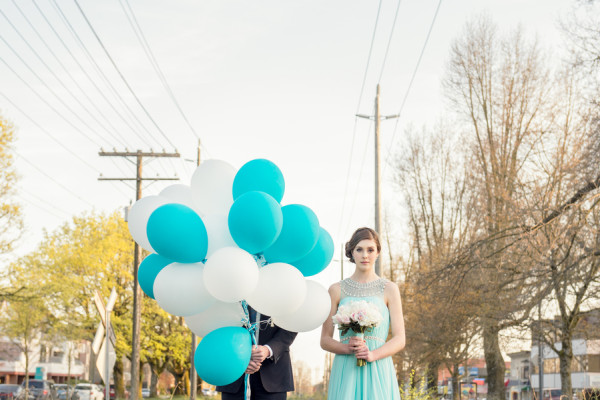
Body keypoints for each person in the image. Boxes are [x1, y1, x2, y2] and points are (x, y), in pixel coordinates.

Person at [321, 227, 406, 399]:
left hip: (378, 365)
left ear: (377, 253)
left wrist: (373, 355)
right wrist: (346, 348)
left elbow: (400, 338)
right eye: (359, 249)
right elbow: (325, 340)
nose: (365, 255)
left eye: (370, 250)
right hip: (346, 366)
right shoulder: (336, 290)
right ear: (351, 252)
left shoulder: (390, 289)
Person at [217, 307, 297, 400]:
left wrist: (268, 349)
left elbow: (293, 324)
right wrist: (239, 357)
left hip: (273, 374)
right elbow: (218, 326)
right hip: (233, 373)